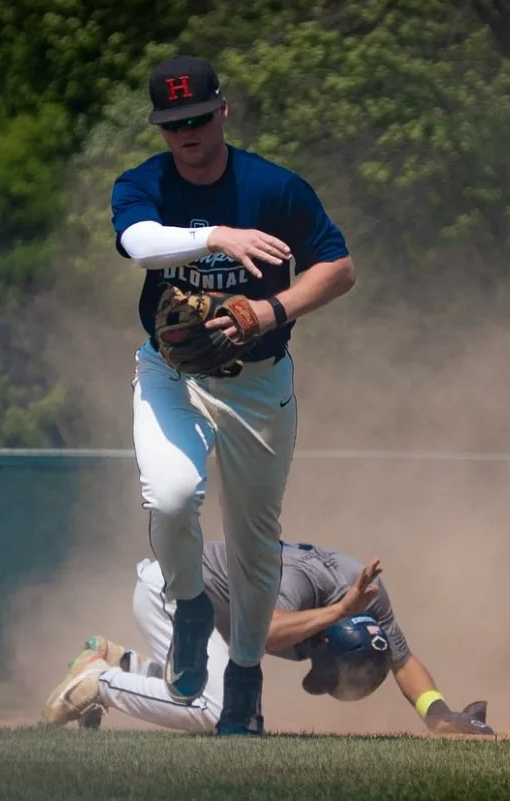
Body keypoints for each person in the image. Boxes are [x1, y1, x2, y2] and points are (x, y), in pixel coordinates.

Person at [109, 54, 357, 736]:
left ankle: (243, 679)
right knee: (169, 494)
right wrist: (216, 234)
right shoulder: (144, 185)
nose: (185, 134)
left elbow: (338, 268)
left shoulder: (273, 187)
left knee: (254, 546)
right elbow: (138, 243)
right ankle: (190, 607)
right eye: (171, 123)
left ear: (222, 111)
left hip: (257, 383)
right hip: (170, 370)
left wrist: (268, 311)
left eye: (196, 118)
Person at [39, 540, 495, 738]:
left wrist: (437, 714)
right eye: (324, 667)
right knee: (215, 712)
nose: (311, 668)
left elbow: (401, 658)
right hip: (172, 595)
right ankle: (99, 682)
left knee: (235, 703)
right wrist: (337, 612)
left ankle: (123, 665)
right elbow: (262, 630)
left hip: (203, 608)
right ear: (329, 640)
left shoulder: (367, 600)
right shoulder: (304, 587)